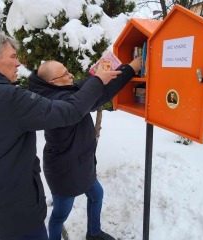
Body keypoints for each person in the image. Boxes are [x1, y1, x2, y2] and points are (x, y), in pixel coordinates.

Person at [0, 32, 122, 240]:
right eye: (12, 57)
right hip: (15, 208)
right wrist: (97, 81)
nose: (17, 63)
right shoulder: (8, 98)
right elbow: (69, 112)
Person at [28, 56, 142, 240]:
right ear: (52, 82)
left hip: (83, 164)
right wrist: (126, 70)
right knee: (60, 214)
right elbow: (88, 97)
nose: (71, 75)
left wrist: (123, 69)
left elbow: (88, 89)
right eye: (65, 74)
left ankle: (94, 233)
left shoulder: (63, 92)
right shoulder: (55, 104)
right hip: (64, 172)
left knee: (97, 195)